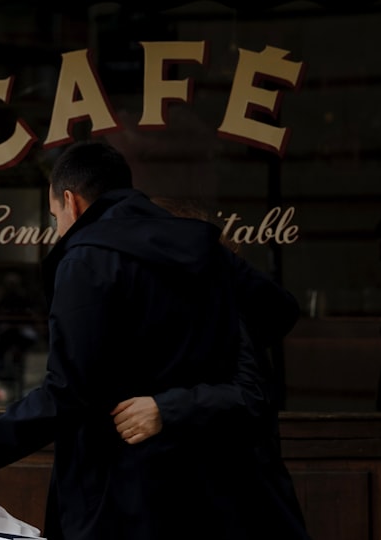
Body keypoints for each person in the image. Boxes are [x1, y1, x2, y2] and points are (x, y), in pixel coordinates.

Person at [0, 140, 268, 539]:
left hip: (127, 494)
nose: (57, 230)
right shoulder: (195, 260)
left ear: (71, 202)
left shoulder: (88, 259)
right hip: (195, 495)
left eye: (55, 216)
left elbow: (68, 391)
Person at [110, 197, 311, 539]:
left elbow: (252, 395)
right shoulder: (168, 306)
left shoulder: (222, 306)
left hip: (233, 502)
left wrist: (164, 409)